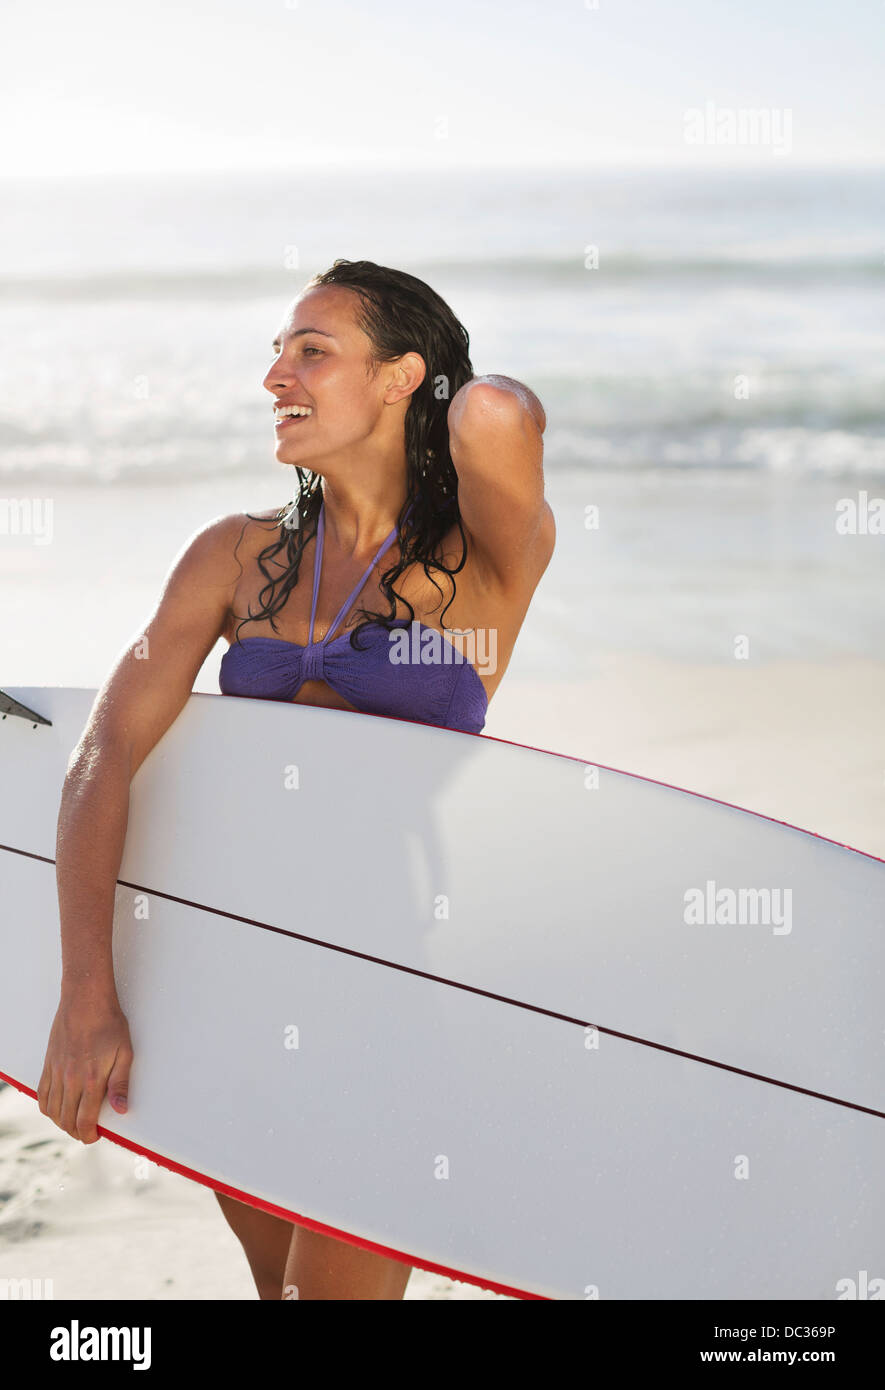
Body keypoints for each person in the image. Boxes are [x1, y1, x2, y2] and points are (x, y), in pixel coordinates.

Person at [37, 258, 555, 1299]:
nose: (276, 376)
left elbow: (500, 414)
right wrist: (87, 990)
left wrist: (455, 395)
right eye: (275, 352)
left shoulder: (486, 562)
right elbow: (105, 755)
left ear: (405, 376)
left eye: (311, 351)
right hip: (234, 980)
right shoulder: (235, 556)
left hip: (389, 990)